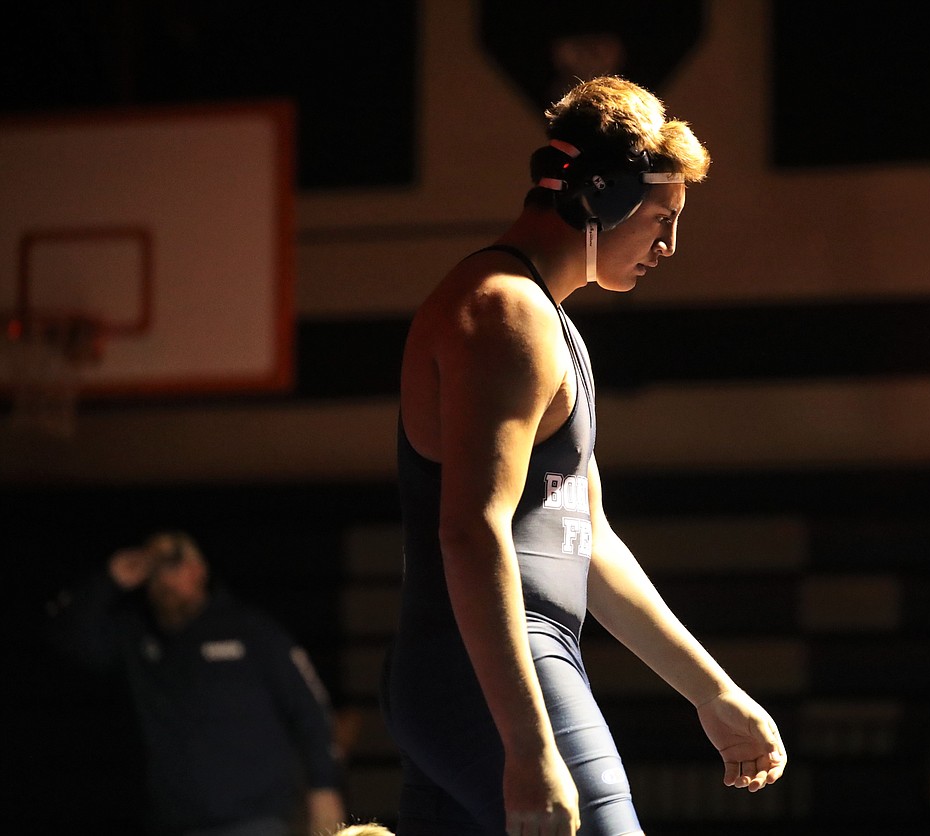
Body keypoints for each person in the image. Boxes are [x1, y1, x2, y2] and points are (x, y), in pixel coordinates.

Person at [381, 75, 786, 836]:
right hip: (495, 666)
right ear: (603, 198)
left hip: (474, 669)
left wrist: (712, 691)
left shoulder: (547, 321)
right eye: (662, 218)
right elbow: (470, 530)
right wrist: (530, 747)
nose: (668, 246)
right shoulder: (505, 311)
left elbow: (588, 540)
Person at [46, 530, 346, 836]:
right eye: (154, 568)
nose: (165, 578)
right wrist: (110, 578)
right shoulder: (136, 638)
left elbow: (310, 710)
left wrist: (324, 788)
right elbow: (70, 638)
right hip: (170, 822)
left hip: (254, 820)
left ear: (198, 569)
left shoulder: (252, 632)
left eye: (173, 563)